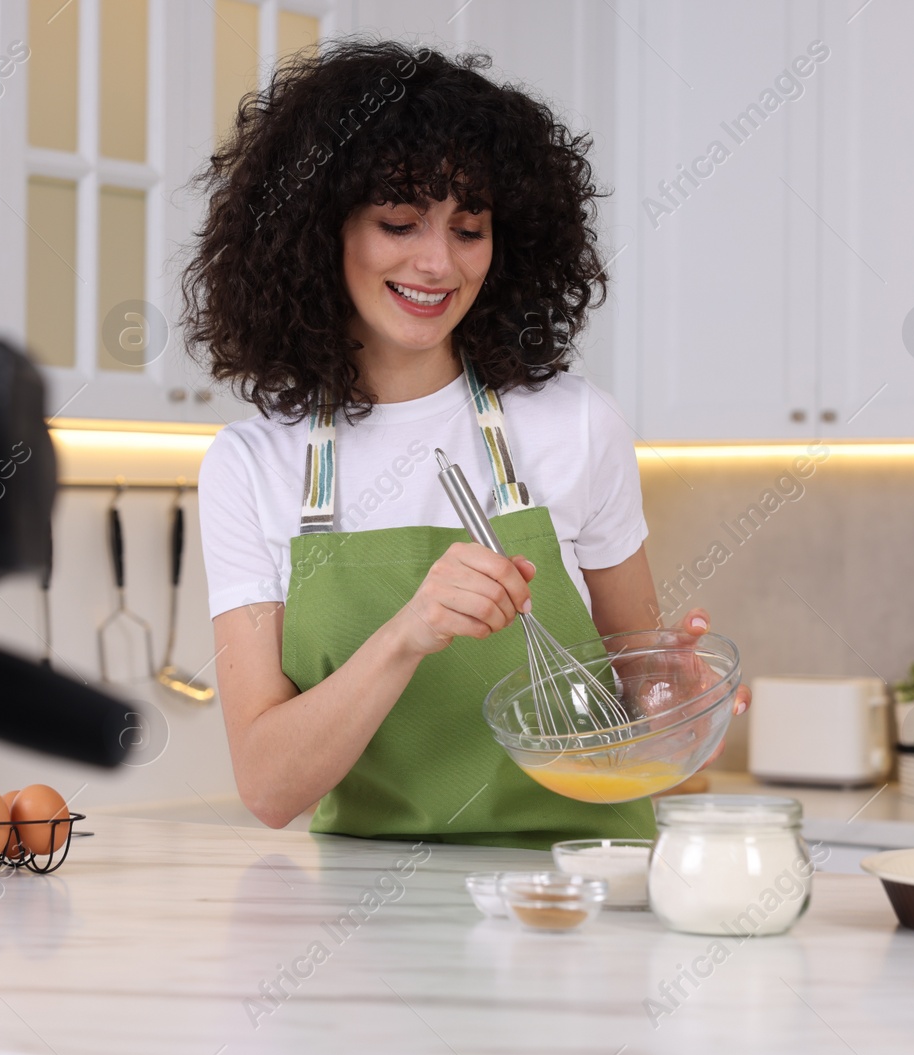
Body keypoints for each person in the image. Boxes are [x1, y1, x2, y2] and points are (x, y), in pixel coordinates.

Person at [186, 41, 749, 849]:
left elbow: (649, 726)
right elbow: (270, 787)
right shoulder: (250, 467)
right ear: (318, 230)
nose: (438, 262)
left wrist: (684, 705)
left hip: (582, 894)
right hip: (368, 928)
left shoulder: (576, 425)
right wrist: (407, 633)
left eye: (469, 228)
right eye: (398, 223)